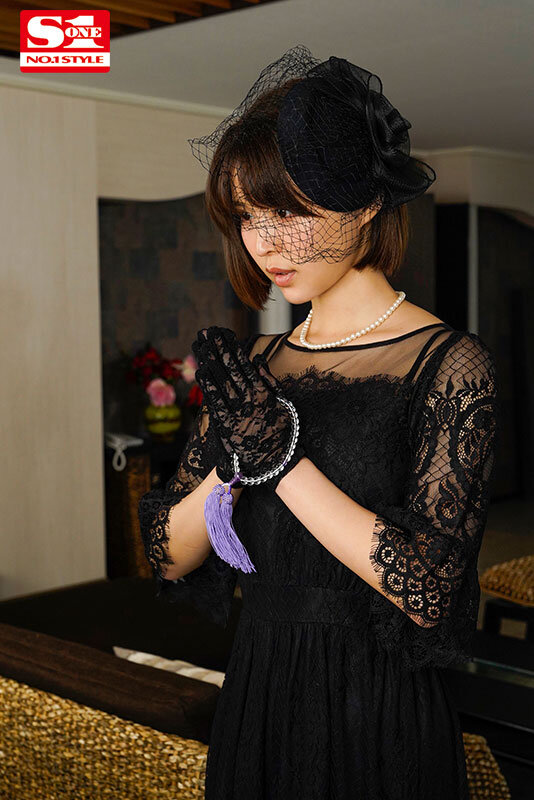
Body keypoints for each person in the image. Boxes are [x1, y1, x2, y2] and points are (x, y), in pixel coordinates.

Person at [138, 45, 499, 800]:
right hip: (261, 694)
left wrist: (281, 458)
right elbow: (167, 557)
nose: (263, 242)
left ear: (364, 203)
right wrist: (231, 460)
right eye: (247, 216)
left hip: (380, 709)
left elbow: (428, 589)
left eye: (288, 211)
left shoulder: (449, 364)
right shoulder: (257, 363)